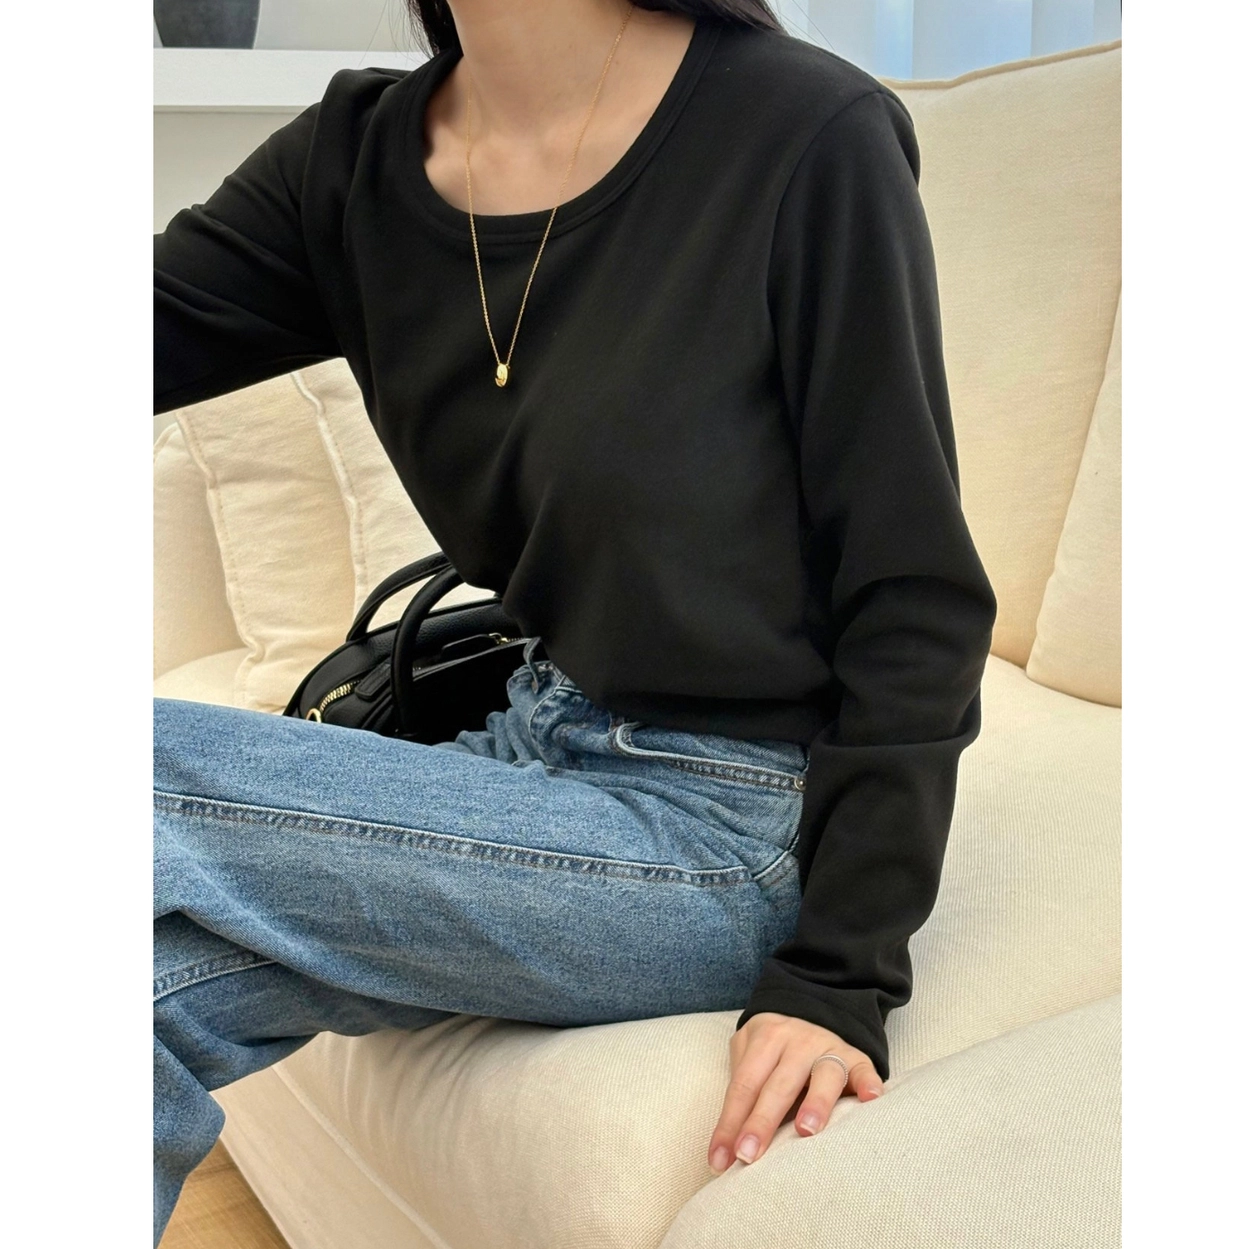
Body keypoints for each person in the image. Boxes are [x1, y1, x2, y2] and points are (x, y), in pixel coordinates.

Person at [153, 0, 997, 1241]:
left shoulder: (802, 131)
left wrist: (839, 975)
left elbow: (913, 588)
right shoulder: (355, 163)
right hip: (532, 746)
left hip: (732, 828)